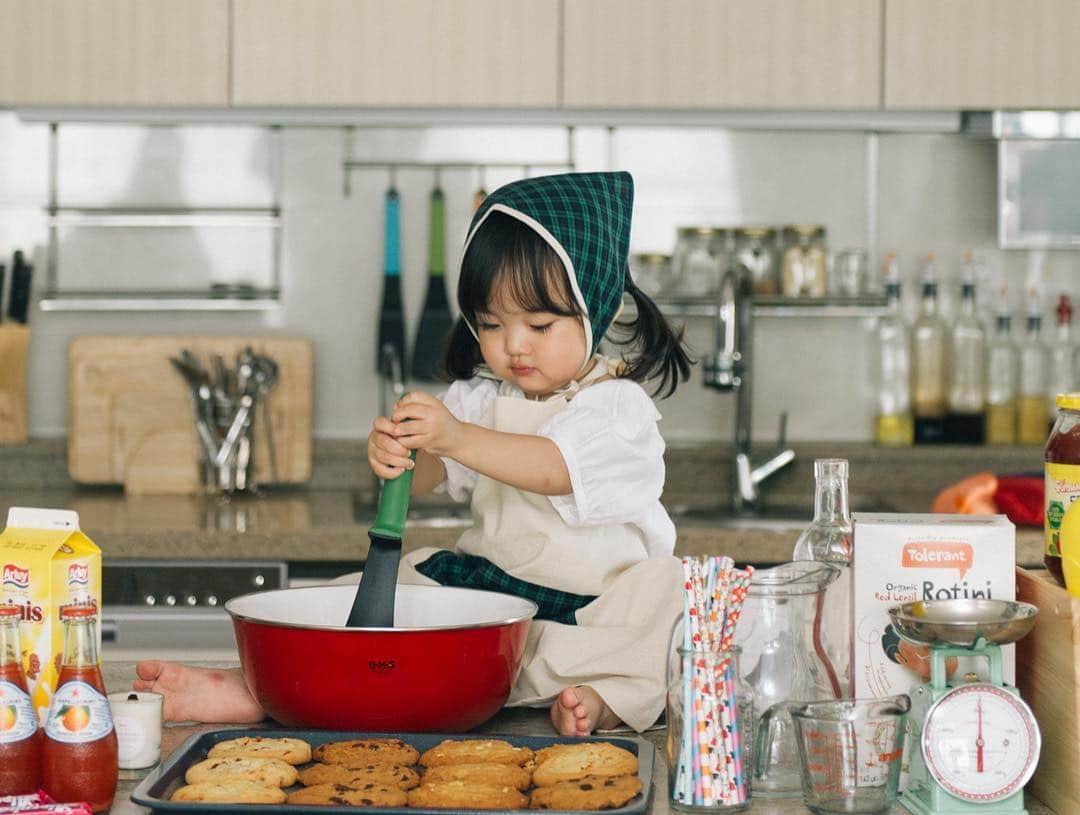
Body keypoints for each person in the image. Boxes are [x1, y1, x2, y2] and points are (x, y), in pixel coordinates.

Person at [135, 171, 693, 736]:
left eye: (539, 324)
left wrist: (455, 437)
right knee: (358, 598)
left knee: (671, 607)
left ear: (593, 310)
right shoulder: (480, 400)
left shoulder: (617, 408)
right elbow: (431, 472)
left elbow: (556, 469)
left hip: (593, 611)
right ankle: (253, 686)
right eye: (491, 325)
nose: (513, 345)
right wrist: (400, 454)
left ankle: (604, 701)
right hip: (491, 604)